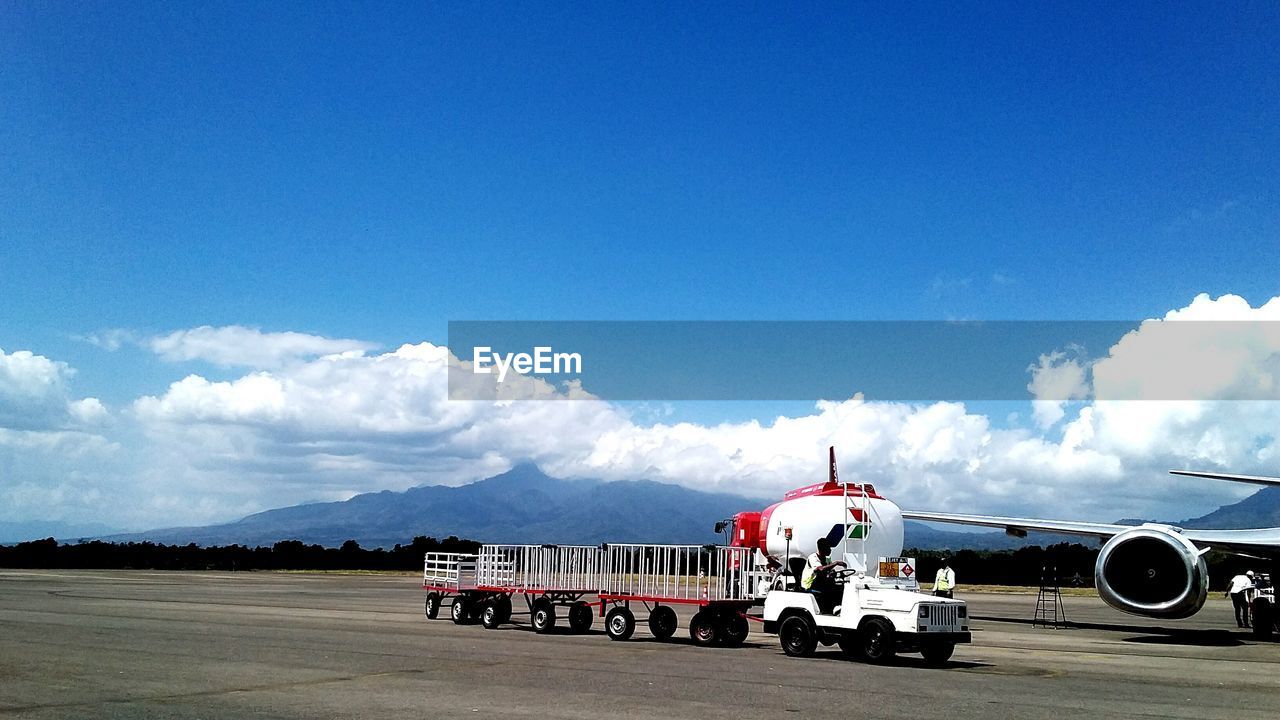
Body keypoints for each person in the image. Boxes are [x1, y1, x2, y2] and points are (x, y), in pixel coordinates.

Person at [801, 537, 846, 613]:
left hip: (821, 583)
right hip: (810, 584)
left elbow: (829, 570)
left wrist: (833, 573)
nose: (830, 550)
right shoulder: (813, 557)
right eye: (828, 548)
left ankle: (837, 607)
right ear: (822, 548)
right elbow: (820, 569)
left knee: (840, 586)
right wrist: (836, 563)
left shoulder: (827, 559)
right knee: (832, 588)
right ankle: (832, 607)